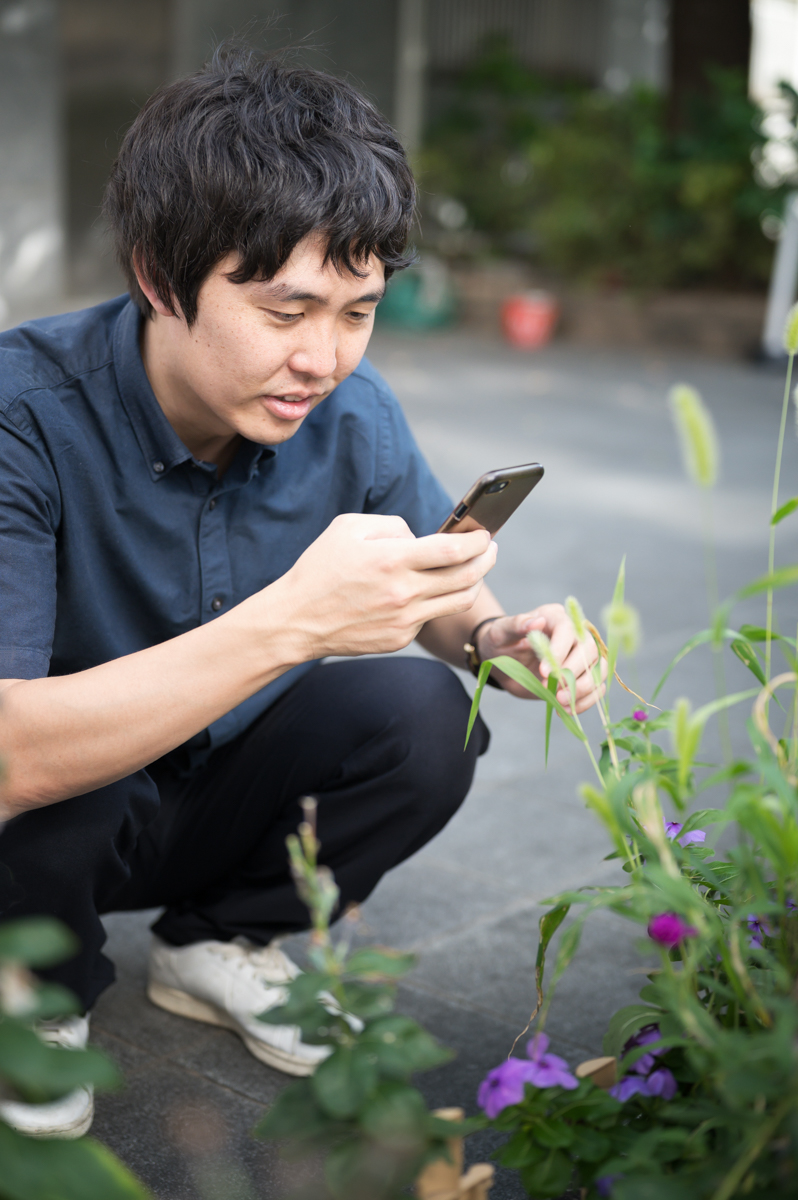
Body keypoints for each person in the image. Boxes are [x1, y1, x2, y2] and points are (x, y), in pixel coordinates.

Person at [0, 47, 604, 1138]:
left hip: (206, 796)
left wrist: (495, 636)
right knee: (77, 732)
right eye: (287, 312)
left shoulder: (349, 411)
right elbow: (7, 757)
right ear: (155, 273)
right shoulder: (23, 417)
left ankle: (219, 940)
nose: (324, 359)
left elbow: (434, 595)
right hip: (54, 814)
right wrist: (293, 624)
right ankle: (31, 984)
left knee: (429, 716)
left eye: (358, 311)